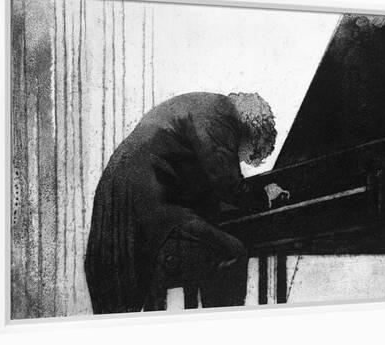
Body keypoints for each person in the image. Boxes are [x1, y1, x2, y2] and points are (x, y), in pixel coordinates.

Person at [85, 92, 284, 314]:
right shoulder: (220, 115)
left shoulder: (204, 109)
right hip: (146, 206)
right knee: (230, 253)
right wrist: (265, 196)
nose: (240, 160)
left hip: (123, 205)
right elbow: (228, 186)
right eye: (248, 154)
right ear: (252, 133)